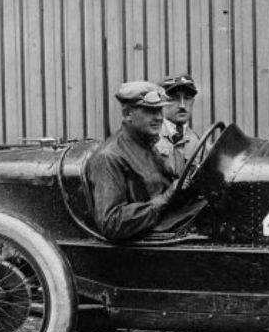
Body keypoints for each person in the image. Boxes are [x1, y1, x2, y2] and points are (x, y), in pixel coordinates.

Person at [83, 81, 201, 241]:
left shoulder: (147, 145)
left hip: (168, 225)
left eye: (159, 110)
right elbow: (111, 223)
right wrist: (166, 198)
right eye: (149, 111)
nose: (159, 117)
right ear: (127, 114)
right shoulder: (109, 157)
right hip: (148, 242)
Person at [156, 73, 201, 175]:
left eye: (187, 98)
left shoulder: (198, 142)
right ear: (161, 102)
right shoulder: (151, 138)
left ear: (193, 102)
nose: (182, 105)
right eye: (174, 98)